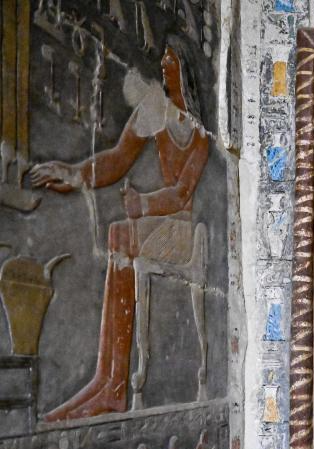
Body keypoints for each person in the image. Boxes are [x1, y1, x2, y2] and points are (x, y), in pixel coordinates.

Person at [29, 42, 210, 421]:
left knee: (121, 234)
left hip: (181, 234)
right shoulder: (154, 108)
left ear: (185, 73)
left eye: (172, 60)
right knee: (118, 234)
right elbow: (118, 158)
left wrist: (143, 204)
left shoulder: (199, 132)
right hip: (156, 227)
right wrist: (76, 173)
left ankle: (112, 384)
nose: (164, 64)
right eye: (164, 60)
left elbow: (182, 194)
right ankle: (106, 379)